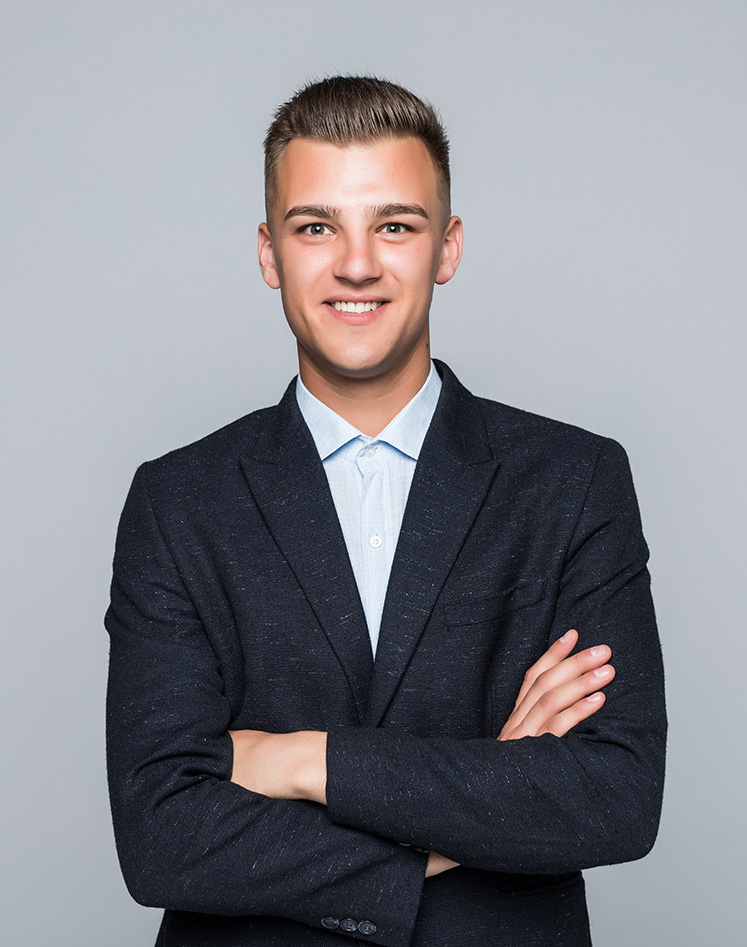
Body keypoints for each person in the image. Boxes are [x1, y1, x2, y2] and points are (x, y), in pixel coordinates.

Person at [106, 76, 666, 947]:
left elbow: (613, 797)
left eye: (395, 226)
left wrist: (302, 759)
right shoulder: (176, 501)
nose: (357, 264)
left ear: (447, 247)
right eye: (316, 227)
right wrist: (485, 796)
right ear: (269, 253)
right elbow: (162, 837)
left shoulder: (575, 481)